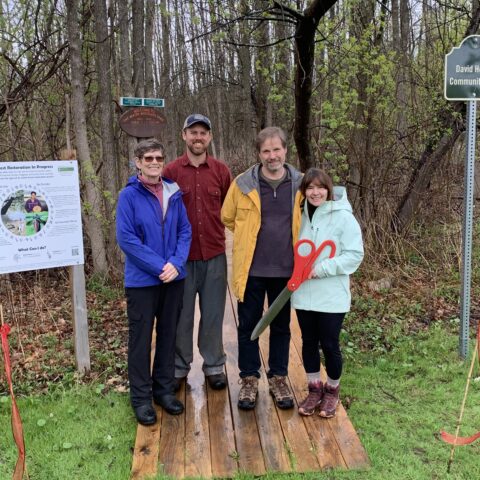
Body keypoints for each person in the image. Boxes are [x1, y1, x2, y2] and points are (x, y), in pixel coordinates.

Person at [221, 126, 302, 410]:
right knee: (249, 326)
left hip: (287, 272)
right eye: (266, 151)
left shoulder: (301, 185)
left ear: (285, 151)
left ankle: (279, 377)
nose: (272, 156)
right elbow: (227, 217)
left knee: (281, 327)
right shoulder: (242, 184)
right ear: (259, 154)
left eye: (276, 149)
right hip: (251, 271)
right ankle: (249, 378)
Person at [116, 139, 192, 425]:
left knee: (168, 335)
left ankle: (163, 390)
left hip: (174, 278)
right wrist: (161, 266)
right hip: (142, 282)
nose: (154, 162)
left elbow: (185, 230)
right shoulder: (129, 196)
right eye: (148, 158)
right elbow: (127, 239)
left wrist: (176, 263)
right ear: (138, 162)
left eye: (158, 157)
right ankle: (141, 398)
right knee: (140, 339)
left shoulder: (173, 191)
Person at [163, 114, 232, 391]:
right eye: (193, 132)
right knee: (182, 315)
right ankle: (180, 366)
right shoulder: (170, 172)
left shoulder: (220, 171)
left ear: (210, 138)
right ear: (184, 136)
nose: (198, 137)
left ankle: (214, 365)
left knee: (214, 313)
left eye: (203, 133)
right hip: (181, 258)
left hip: (215, 253)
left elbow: (229, 210)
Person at [291, 168, 363, 418]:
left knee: (330, 344)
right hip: (303, 293)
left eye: (320, 187)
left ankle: (332, 391)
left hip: (332, 295)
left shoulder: (343, 217)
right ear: (304, 191)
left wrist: (320, 269)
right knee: (308, 342)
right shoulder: (298, 215)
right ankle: (314, 389)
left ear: (328, 190)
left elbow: (354, 255)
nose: (315, 192)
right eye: (310, 188)